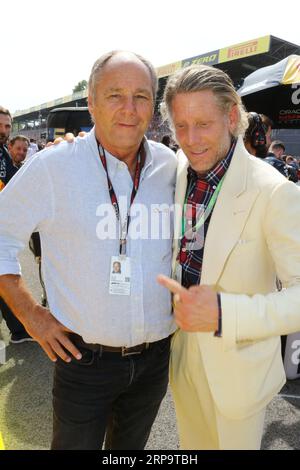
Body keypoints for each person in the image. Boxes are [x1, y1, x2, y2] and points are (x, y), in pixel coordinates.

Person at [0, 50, 177, 450]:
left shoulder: (171, 167)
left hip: (154, 362)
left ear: (153, 106)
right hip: (83, 363)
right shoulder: (54, 166)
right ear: (92, 104)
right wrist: (32, 316)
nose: (129, 109)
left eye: (141, 96)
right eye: (115, 95)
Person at [157, 64, 300, 450]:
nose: (191, 139)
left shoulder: (274, 191)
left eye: (203, 124)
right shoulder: (180, 169)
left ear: (232, 117)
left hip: (239, 369)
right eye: (181, 125)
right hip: (183, 355)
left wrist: (225, 314)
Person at [0, 107, 34, 343]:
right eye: (0, 125)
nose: (4, 131)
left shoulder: (4, 153)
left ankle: (18, 331)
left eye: (7, 126)